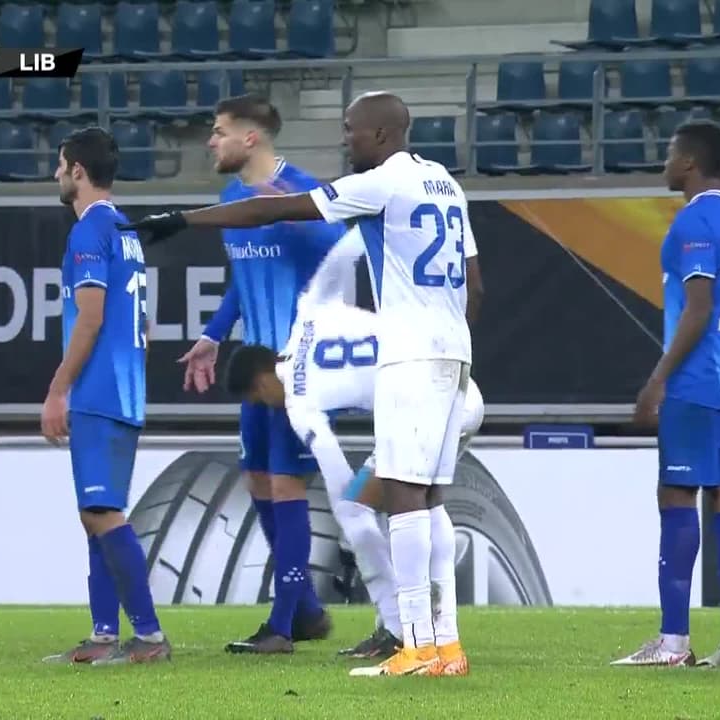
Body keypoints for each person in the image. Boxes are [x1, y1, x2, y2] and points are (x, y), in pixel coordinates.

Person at [125, 91, 485, 677]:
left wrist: (182, 220)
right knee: (427, 497)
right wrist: (449, 340)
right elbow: (476, 284)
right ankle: (444, 646)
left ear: (380, 134)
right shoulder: (444, 183)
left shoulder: (381, 183)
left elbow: (270, 212)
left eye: (351, 129)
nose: (344, 139)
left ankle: (417, 645)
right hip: (453, 354)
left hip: (409, 357)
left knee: (399, 496)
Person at [221, 233, 484, 674]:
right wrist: (371, 226)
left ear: (261, 381)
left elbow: (335, 471)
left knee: (357, 507)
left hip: (424, 406)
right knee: (424, 502)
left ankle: (401, 627)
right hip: (460, 390)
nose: (266, 406)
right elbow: (341, 255)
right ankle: (438, 632)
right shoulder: (310, 311)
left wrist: (351, 510)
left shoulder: (298, 401)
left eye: (258, 399)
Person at [175, 94, 341, 654]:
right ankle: (306, 610)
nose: (210, 141)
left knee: (286, 483)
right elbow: (243, 279)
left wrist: (292, 213)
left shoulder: (303, 192)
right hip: (257, 367)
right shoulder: (231, 198)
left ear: (250, 138)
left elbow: (342, 251)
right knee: (257, 479)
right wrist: (212, 335)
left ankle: (283, 624)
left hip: (300, 367)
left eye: (219, 131)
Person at [613, 121, 720, 668]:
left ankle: (672, 642)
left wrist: (658, 379)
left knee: (677, 494)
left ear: (689, 164)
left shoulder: (695, 221)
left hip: (703, 376)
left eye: (671, 154)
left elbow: (698, 309)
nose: (665, 162)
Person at [39, 127, 169, 665]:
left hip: (100, 391)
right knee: (96, 511)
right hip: (124, 388)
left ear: (78, 171)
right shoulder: (125, 229)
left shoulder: (89, 231)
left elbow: (89, 318)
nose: (55, 174)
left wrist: (58, 389)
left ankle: (149, 637)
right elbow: (144, 324)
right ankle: (102, 636)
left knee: (102, 513)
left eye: (60, 165)